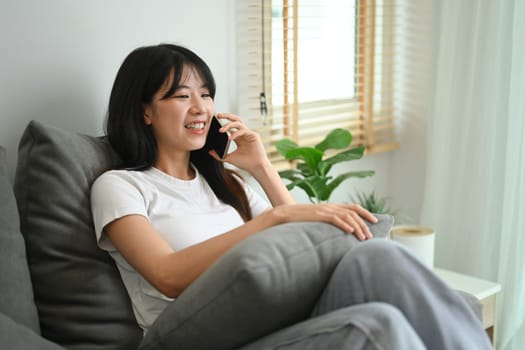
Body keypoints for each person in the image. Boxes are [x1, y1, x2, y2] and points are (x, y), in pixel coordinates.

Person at [90, 43, 491, 349]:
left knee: (378, 256)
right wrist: (267, 222)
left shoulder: (226, 183)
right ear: (145, 111)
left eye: (207, 94)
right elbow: (168, 275)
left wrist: (262, 168)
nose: (201, 108)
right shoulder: (122, 186)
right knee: (378, 325)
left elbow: (301, 239)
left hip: (266, 313)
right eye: (182, 96)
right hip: (190, 334)